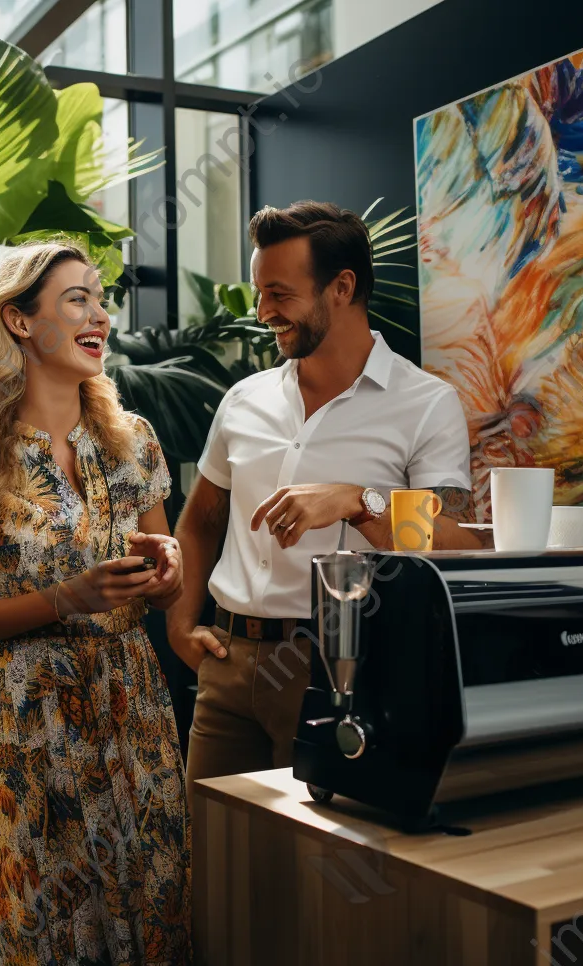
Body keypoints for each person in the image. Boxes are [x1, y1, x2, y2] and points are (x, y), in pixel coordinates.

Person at [0, 241, 193, 966]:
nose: (100, 315)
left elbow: (163, 560)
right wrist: (67, 596)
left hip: (131, 707)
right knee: (36, 931)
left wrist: (165, 571)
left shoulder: (131, 439)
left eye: (100, 299)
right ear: (17, 319)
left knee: (150, 908)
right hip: (23, 722)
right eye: (76, 299)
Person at [168, 200, 481, 803]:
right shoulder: (244, 400)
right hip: (227, 665)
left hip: (337, 671)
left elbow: (454, 549)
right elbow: (203, 516)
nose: (263, 313)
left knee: (313, 870)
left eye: (279, 294)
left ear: (342, 288)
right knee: (210, 859)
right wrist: (181, 625)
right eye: (259, 293)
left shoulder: (425, 404)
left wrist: (356, 502)